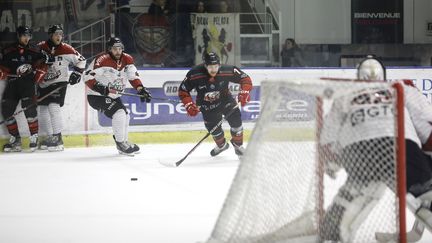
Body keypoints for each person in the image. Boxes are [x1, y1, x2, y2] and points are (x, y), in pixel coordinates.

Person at [319, 55, 432, 241]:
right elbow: (425, 120)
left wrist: (331, 163)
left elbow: (329, 135)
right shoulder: (401, 87)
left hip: (359, 151)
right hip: (400, 145)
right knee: (425, 195)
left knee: (358, 189)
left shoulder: (346, 94)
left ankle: (332, 230)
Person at [83, 37, 152, 156]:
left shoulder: (127, 59)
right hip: (96, 96)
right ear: (109, 49)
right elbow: (87, 76)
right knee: (119, 112)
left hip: (113, 96)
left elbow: (133, 77)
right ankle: (120, 144)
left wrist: (141, 89)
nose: (118, 51)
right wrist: (100, 87)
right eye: (115, 49)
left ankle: (123, 142)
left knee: (125, 114)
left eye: (120, 49)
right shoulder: (102, 59)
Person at [178, 52, 252, 156]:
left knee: (236, 121)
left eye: (216, 66)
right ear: (205, 66)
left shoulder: (227, 70)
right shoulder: (194, 74)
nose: (213, 70)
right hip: (206, 104)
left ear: (219, 65)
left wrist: (244, 92)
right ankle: (222, 146)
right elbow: (183, 90)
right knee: (214, 130)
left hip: (225, 100)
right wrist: (188, 104)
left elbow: (245, 79)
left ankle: (238, 146)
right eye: (210, 67)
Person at [1, 26, 51, 152]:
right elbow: (3, 67)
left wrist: (41, 72)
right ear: (18, 36)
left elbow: (47, 61)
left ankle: (33, 137)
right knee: (6, 110)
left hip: (28, 84)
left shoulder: (35, 50)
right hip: (12, 84)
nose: (26, 38)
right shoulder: (8, 50)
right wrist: (2, 72)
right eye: (24, 35)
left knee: (29, 109)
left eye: (28, 36)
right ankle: (15, 138)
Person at [36, 24, 86, 151]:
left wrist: (77, 73)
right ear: (50, 35)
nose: (59, 36)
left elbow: (82, 60)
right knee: (42, 110)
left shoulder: (67, 48)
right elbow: (32, 60)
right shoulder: (40, 47)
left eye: (61, 34)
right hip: (43, 83)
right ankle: (49, 137)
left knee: (53, 106)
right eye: (56, 34)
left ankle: (58, 138)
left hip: (59, 82)